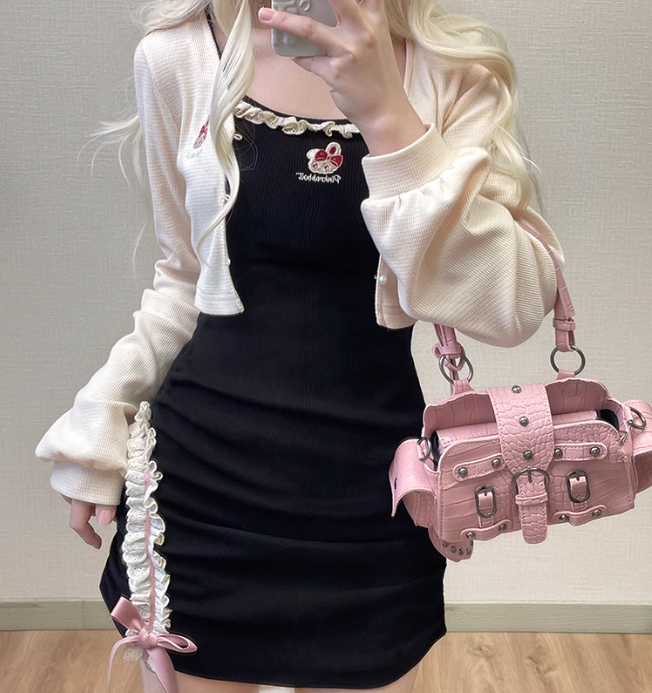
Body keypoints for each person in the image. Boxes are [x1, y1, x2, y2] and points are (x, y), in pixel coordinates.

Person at [35, 0, 565, 692]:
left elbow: (510, 305)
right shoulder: (179, 55)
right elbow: (184, 282)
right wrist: (99, 418)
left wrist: (387, 113)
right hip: (201, 495)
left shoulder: (450, 66)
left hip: (373, 497)